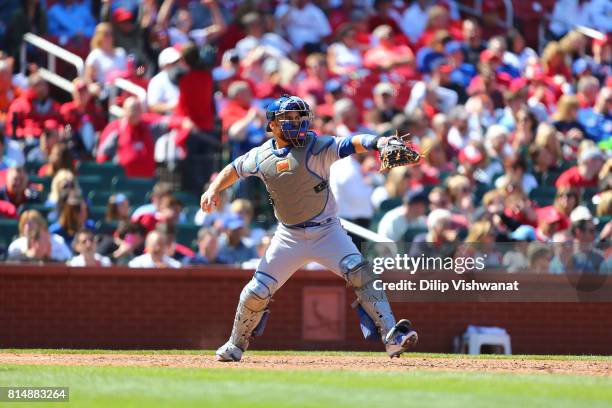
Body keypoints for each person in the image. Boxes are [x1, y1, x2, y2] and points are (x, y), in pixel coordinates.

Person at [201, 94, 418, 362]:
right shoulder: (261, 155)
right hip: (288, 236)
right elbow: (234, 169)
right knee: (256, 291)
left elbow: (352, 143)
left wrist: (379, 141)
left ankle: (392, 336)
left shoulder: (318, 145)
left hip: (327, 231)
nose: (297, 123)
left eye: (300, 117)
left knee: (361, 273)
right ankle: (235, 344)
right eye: (289, 118)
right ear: (273, 125)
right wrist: (213, 189)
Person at [96, 96, 156, 178]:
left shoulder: (147, 125)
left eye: (137, 109)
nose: (135, 113)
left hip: (146, 181)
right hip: (122, 182)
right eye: (132, 109)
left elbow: (168, 122)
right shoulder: (116, 128)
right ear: (125, 111)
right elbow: (102, 154)